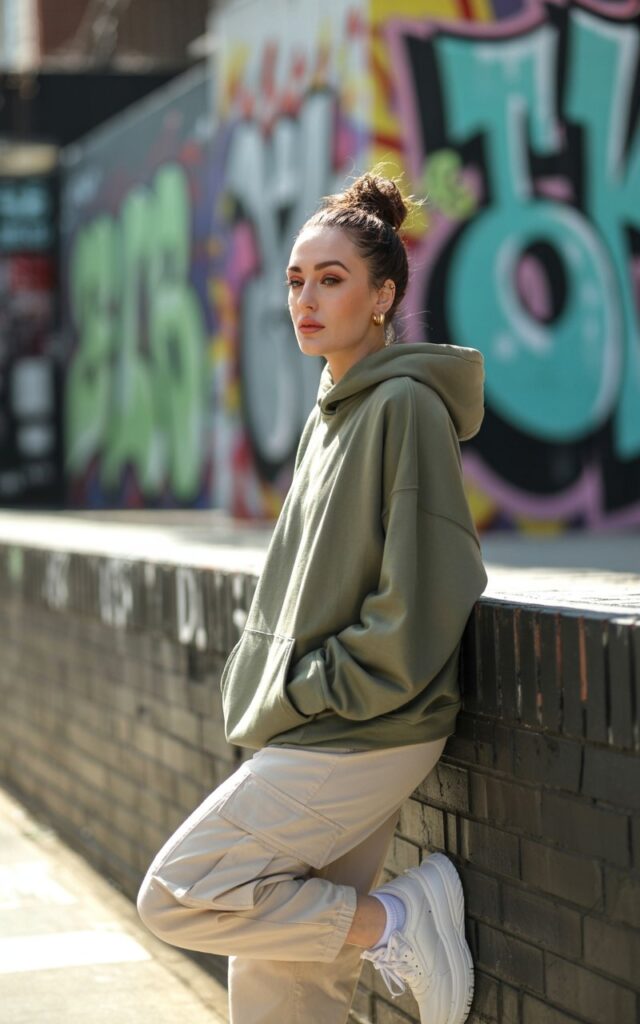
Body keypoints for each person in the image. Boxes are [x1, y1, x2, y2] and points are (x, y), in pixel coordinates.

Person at [137, 172, 487, 1024]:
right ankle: (379, 927)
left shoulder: (404, 406)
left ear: (383, 296)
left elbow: (430, 589)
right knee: (281, 989)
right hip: (326, 725)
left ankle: (394, 920)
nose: (306, 297)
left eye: (332, 279)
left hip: (362, 728)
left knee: (180, 894)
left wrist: (313, 687)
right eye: (297, 279)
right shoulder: (331, 410)